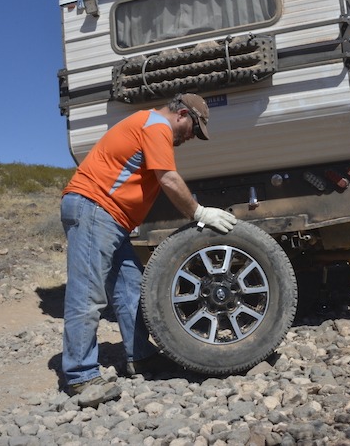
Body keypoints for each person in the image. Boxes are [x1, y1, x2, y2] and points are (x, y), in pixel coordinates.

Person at [59, 93, 237, 405]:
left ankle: (139, 356)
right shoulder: (156, 126)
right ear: (182, 114)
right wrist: (200, 213)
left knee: (130, 289)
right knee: (88, 295)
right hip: (94, 209)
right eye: (194, 129)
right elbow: (167, 178)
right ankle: (80, 376)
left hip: (108, 217)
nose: (192, 137)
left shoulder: (150, 124)